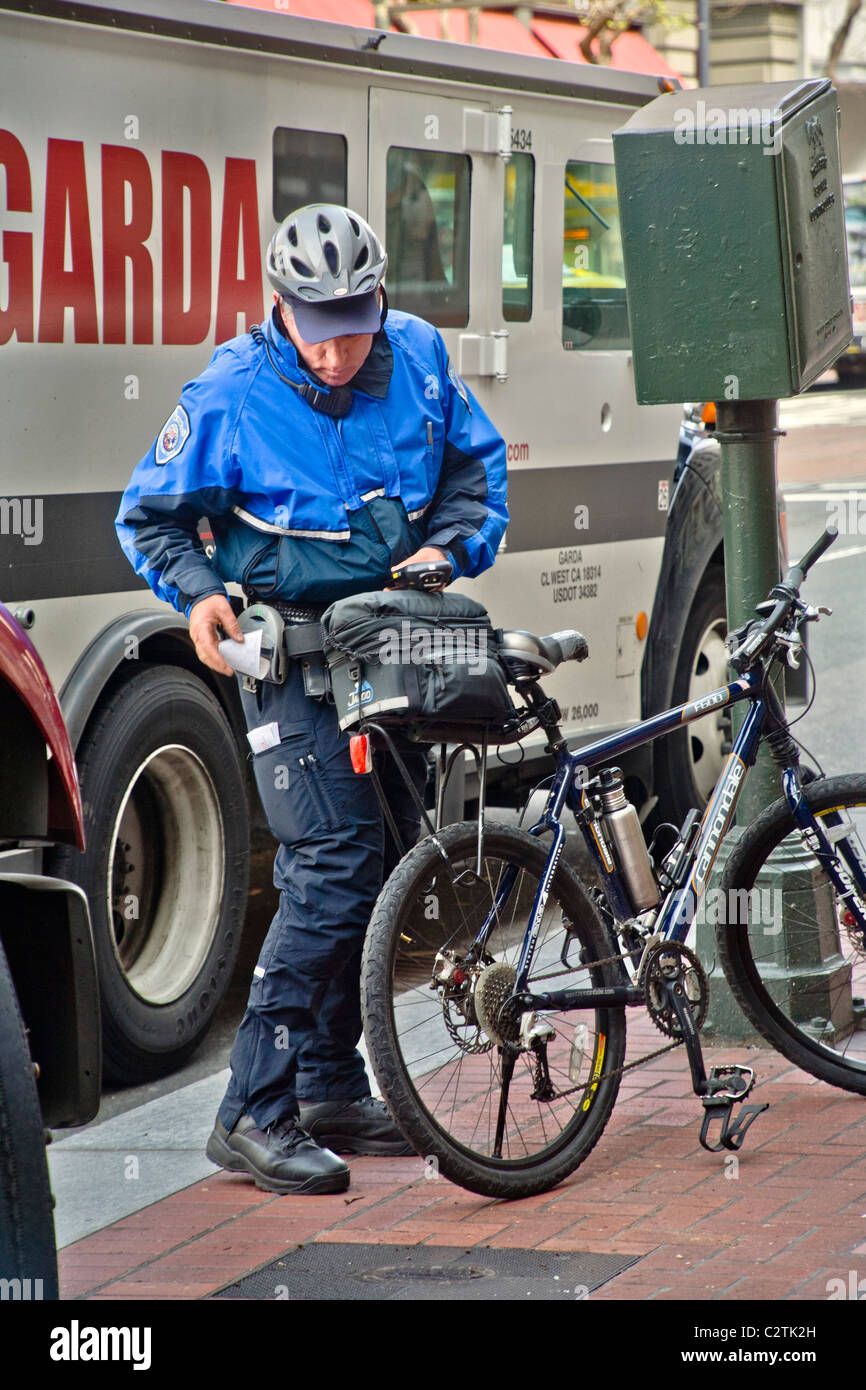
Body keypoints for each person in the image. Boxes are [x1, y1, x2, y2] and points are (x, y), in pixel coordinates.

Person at [116, 203, 508, 1195]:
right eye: (319, 323)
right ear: (280, 308)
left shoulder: (416, 356)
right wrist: (200, 594)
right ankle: (252, 1109)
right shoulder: (232, 389)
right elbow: (151, 517)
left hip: (393, 644)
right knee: (331, 864)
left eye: (356, 317)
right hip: (290, 658)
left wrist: (444, 546)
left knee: (376, 863)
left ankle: (331, 1084)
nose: (339, 345)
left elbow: (474, 471)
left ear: (381, 299)